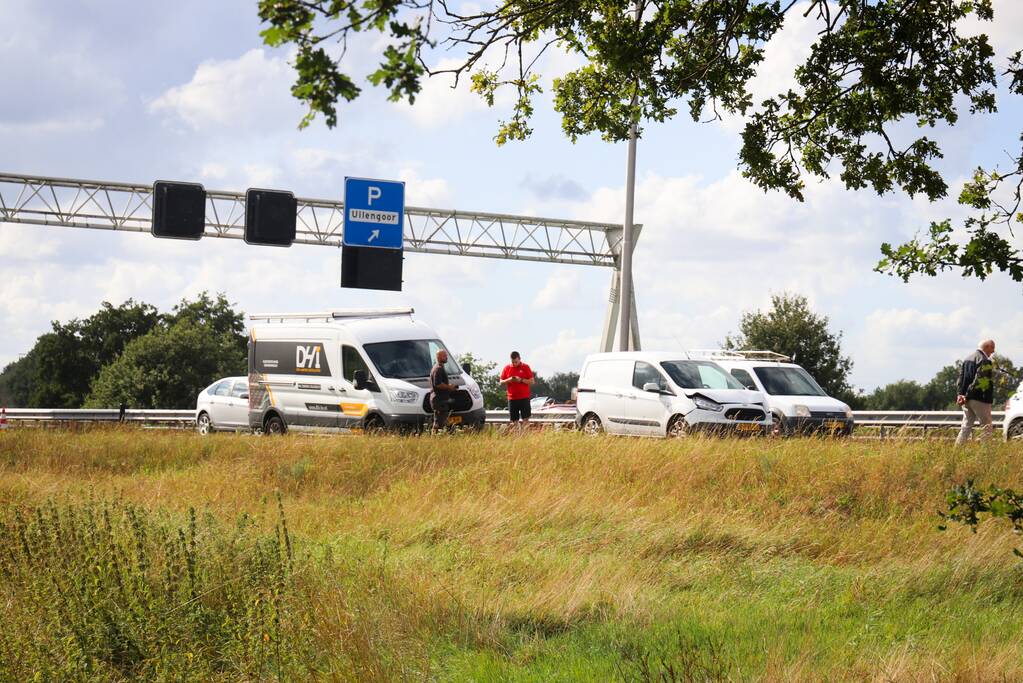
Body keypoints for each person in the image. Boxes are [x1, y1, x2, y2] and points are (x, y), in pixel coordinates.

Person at [955, 339, 996, 446]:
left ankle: (957, 450)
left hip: (966, 399)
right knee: (986, 426)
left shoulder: (967, 359)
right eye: (992, 348)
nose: (993, 351)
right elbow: (979, 381)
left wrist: (961, 395)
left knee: (966, 426)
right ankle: (985, 453)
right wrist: (967, 395)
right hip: (979, 398)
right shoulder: (984, 360)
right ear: (986, 347)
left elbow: (960, 379)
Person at [500, 351, 534, 429]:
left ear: (519, 359)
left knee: (525, 419)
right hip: (512, 399)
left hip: (524, 397)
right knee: (514, 420)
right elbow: (501, 382)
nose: (514, 364)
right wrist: (509, 380)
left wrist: (521, 380)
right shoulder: (507, 368)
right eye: (513, 362)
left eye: (516, 362)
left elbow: (532, 381)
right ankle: (517, 437)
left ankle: (525, 436)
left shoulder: (526, 367)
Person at [429, 349, 458, 434]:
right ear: (438, 357)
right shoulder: (438, 369)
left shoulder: (440, 367)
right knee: (439, 422)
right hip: (438, 400)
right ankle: (435, 439)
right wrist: (449, 387)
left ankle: (436, 437)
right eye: (444, 356)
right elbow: (437, 384)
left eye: (446, 355)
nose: (446, 357)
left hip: (440, 399)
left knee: (440, 421)